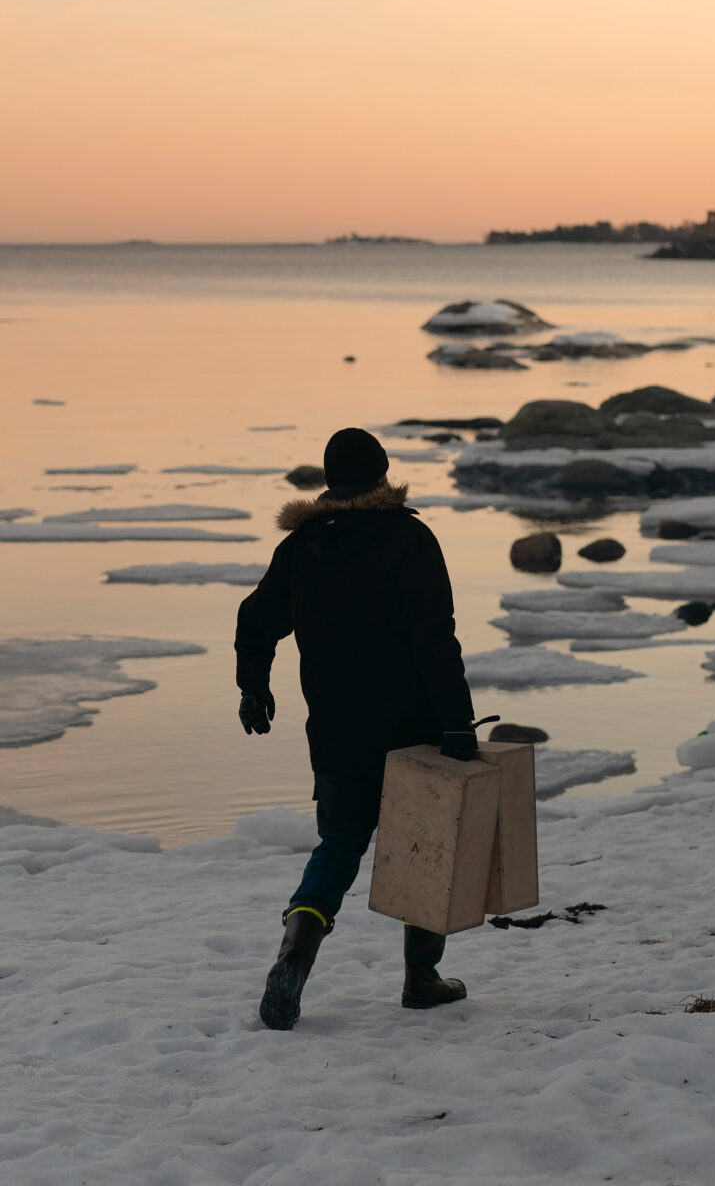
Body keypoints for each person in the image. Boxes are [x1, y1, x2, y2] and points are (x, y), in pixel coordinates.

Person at [235, 426, 478, 1030]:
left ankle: (295, 954)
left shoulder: (300, 547)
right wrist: (458, 723)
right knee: (424, 848)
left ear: (325, 480)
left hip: (338, 731)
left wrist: (253, 686)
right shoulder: (409, 538)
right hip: (411, 729)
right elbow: (434, 639)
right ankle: (421, 980)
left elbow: (255, 618)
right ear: (383, 473)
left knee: (339, 845)